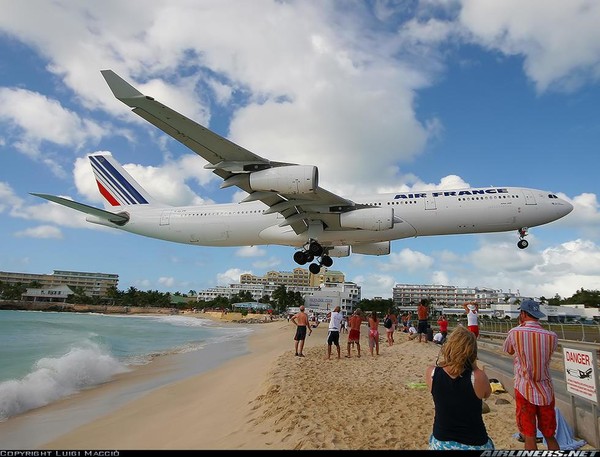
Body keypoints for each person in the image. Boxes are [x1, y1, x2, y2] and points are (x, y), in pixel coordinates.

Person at [425, 325, 494, 450]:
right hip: (474, 441)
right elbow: (487, 394)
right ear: (472, 352)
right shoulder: (478, 376)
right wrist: (474, 366)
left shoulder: (432, 373)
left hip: (441, 441)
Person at [503, 299, 559, 451]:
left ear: (522, 313)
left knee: (529, 434)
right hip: (546, 390)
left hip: (524, 388)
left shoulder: (515, 332)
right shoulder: (552, 336)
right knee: (549, 434)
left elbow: (509, 350)